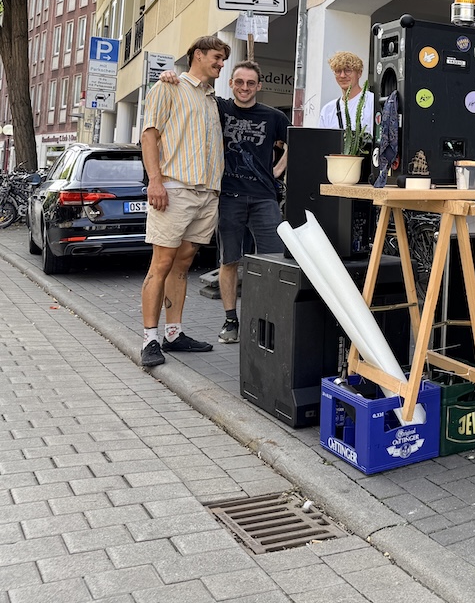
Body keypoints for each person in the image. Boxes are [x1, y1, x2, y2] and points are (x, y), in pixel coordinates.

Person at [159, 60, 289, 344]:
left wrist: (276, 171)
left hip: (264, 197)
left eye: (251, 83)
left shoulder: (274, 116)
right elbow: (192, 90)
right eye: (239, 82)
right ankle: (231, 321)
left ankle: (268, 319)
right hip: (227, 196)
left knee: (273, 261)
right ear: (231, 83)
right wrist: (171, 77)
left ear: (259, 86)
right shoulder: (218, 108)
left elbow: (295, 143)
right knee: (229, 260)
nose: (245, 88)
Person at [139, 35, 230, 368]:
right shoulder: (169, 86)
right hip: (175, 189)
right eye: (216, 58)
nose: (221, 64)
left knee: (183, 263)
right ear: (198, 55)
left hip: (207, 193)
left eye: (222, 59)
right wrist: (155, 181)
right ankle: (150, 339)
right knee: (161, 264)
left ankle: (173, 334)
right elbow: (149, 134)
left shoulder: (209, 97)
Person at [319, 51, 374, 133]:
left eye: (348, 71)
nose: (342, 76)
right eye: (338, 71)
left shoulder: (371, 102)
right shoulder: (328, 110)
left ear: (359, 73)